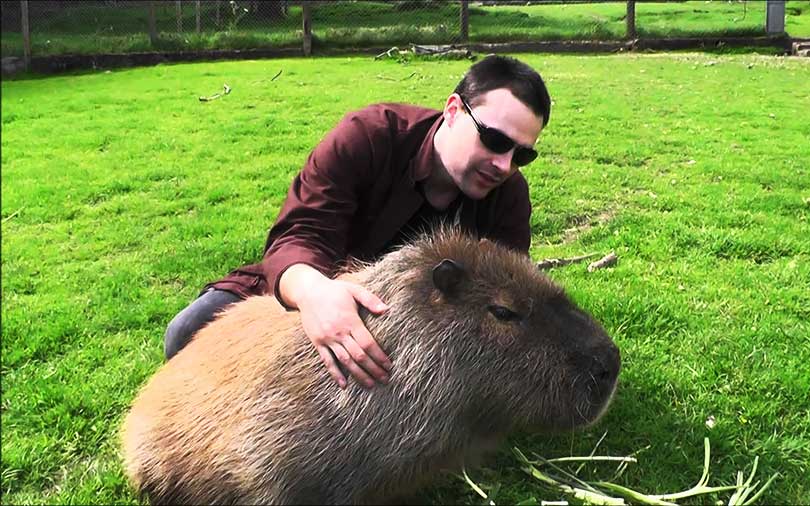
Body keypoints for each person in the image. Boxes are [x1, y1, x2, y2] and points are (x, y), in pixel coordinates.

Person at [164, 54, 551, 389]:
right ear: (453, 110)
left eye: (522, 156)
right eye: (494, 140)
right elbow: (301, 233)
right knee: (187, 334)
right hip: (318, 287)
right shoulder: (367, 136)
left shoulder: (509, 193)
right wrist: (315, 294)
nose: (504, 165)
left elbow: (509, 295)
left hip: (426, 334)